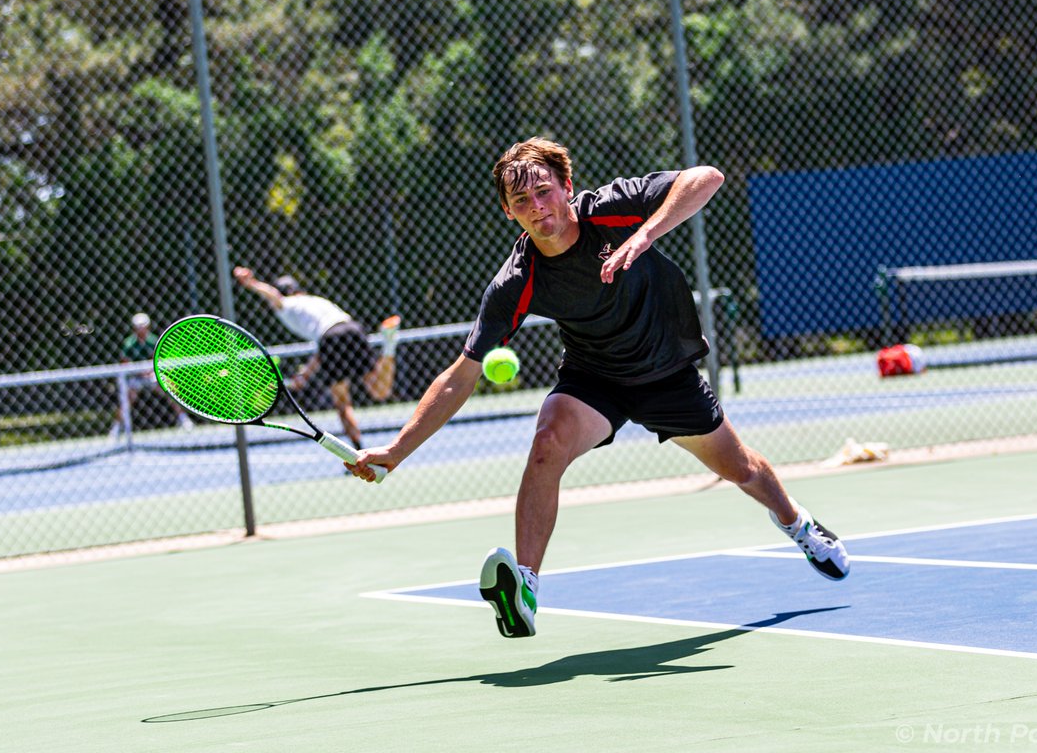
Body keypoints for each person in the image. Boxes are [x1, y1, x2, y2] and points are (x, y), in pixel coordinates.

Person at [349, 137, 850, 639]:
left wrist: (644, 235)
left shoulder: (611, 209)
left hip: (665, 372)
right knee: (547, 444)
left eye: (544, 191)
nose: (537, 206)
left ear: (567, 186)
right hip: (594, 378)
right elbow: (461, 376)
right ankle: (525, 586)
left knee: (740, 468)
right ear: (508, 211)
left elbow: (708, 177)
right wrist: (396, 450)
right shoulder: (516, 281)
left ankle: (798, 524)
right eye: (521, 200)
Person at [232, 267, 400, 448]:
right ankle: (389, 347)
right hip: (352, 328)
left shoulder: (288, 305)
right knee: (380, 391)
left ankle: (358, 449)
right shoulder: (315, 300)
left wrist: (251, 283)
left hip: (330, 338)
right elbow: (321, 352)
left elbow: (274, 297)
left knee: (342, 403)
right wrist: (305, 374)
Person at [108, 312, 194, 438]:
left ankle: (183, 418)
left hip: (152, 375)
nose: (141, 329)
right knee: (128, 398)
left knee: (170, 388)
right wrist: (139, 372)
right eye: (138, 327)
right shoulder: (129, 343)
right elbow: (125, 364)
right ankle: (116, 427)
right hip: (136, 377)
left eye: (143, 326)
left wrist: (150, 372)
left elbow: (156, 360)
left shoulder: (154, 341)